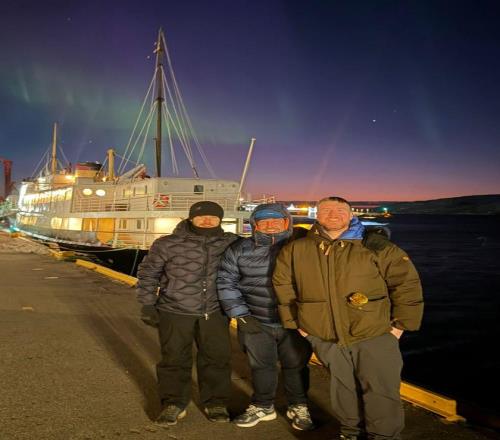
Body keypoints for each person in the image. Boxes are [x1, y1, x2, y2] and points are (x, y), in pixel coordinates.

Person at [273, 196, 424, 440]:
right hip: (323, 334)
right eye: (326, 210)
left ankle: (383, 435)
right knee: (342, 388)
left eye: (340, 210)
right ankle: (350, 432)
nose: (333, 214)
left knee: (381, 389)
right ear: (317, 215)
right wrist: (297, 324)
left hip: (374, 331)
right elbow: (283, 285)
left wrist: (400, 325)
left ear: (351, 214)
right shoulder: (296, 249)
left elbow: (406, 284)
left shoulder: (376, 247)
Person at [136, 201, 239, 426]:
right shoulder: (167, 243)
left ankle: (216, 402)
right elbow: (148, 273)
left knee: (217, 358)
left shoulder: (231, 243)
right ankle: (173, 403)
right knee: (174, 358)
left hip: (215, 310)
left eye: (213, 217)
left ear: (220, 220)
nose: (207, 220)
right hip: (174, 310)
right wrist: (147, 304)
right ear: (191, 218)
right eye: (201, 216)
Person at [217, 203, 314, 430]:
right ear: (255, 225)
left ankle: (299, 405)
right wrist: (240, 315)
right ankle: (262, 406)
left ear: (286, 222)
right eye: (263, 221)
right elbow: (226, 281)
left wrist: (374, 237)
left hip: (295, 321)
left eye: (276, 221)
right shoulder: (239, 249)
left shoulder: (303, 246)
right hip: (255, 319)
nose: (270, 225)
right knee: (261, 366)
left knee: (296, 365)